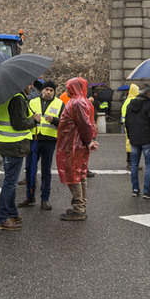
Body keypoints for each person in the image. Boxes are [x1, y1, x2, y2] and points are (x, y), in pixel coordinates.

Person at [0, 83, 36, 231]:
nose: (31, 86)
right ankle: (2, 218)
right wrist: (34, 120)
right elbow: (19, 124)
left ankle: (12, 213)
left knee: (10, 181)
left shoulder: (5, 96)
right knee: (10, 183)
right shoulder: (18, 98)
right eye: (29, 83)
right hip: (14, 145)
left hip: (5, 144)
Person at [56, 77, 99, 221]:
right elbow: (90, 123)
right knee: (80, 175)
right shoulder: (84, 101)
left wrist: (88, 141)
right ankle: (81, 206)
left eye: (69, 87)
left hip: (73, 145)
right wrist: (91, 140)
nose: (67, 89)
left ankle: (78, 209)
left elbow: (84, 124)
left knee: (74, 175)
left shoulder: (76, 102)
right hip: (78, 144)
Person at [23, 80, 63, 210]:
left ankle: (45, 199)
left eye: (51, 90)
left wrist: (55, 120)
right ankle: (30, 196)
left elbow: (64, 122)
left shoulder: (59, 104)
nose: (49, 92)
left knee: (46, 171)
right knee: (30, 169)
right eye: (47, 90)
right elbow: (25, 118)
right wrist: (33, 119)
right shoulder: (32, 102)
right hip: (33, 139)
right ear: (42, 90)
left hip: (49, 140)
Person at [124, 84, 150, 198]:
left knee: (134, 164)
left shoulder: (130, 104)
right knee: (149, 164)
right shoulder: (148, 105)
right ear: (147, 92)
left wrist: (130, 136)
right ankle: (147, 191)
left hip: (134, 138)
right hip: (147, 138)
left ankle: (135, 189)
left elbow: (127, 122)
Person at [120, 84, 139, 169]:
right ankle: (132, 163)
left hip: (126, 124)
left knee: (128, 143)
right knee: (133, 144)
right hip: (133, 125)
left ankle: (129, 162)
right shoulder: (134, 101)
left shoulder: (127, 100)